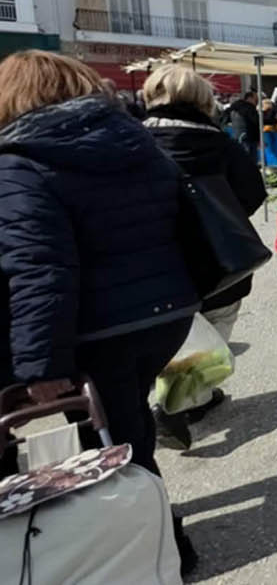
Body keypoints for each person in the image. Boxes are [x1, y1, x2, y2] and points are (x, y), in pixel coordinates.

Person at [0, 51, 202, 570]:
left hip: (98, 326)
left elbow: (39, 269)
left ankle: (154, 548)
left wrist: (40, 366)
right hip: (165, 313)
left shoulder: (20, 161)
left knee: (117, 443)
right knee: (127, 424)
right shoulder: (137, 141)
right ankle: (152, 540)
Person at [142, 65, 267, 448]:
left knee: (168, 338)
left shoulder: (130, 142)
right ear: (203, 99)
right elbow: (253, 194)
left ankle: (187, 400)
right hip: (220, 262)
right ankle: (174, 408)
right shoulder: (219, 143)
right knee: (212, 335)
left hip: (154, 265)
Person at [227, 91, 261, 160]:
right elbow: (256, 120)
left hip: (238, 136)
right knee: (250, 160)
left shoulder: (234, 107)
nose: (257, 101)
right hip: (248, 137)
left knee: (243, 159)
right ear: (250, 98)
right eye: (256, 99)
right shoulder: (249, 108)